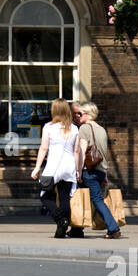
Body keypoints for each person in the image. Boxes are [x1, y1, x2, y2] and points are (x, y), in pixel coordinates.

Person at [30, 98, 83, 237]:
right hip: (69, 167)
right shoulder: (75, 128)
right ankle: (61, 229)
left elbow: (43, 148)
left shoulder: (48, 127)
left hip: (53, 167)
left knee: (45, 197)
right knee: (65, 198)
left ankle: (61, 220)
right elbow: (76, 151)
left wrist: (37, 167)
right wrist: (78, 171)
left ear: (54, 110)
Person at [75, 101, 121, 240]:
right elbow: (103, 153)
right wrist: (105, 175)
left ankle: (113, 228)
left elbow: (82, 151)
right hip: (100, 170)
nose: (77, 116)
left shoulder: (84, 128)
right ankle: (76, 230)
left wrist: (78, 170)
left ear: (88, 114)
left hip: (89, 170)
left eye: (80, 113)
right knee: (87, 199)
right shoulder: (102, 129)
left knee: (92, 199)